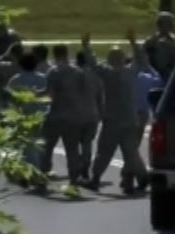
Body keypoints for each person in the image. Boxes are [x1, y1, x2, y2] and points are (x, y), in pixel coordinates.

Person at [81, 43, 148, 193]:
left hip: (113, 119)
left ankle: (95, 179)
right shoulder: (131, 72)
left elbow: (93, 64)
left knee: (104, 151)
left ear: (110, 59)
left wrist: (87, 47)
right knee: (131, 152)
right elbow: (142, 59)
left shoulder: (107, 73)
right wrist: (134, 42)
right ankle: (142, 178)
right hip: (131, 118)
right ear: (123, 59)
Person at [123, 31, 164, 190]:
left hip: (128, 114)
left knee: (130, 149)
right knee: (133, 148)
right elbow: (159, 80)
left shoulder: (126, 76)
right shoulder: (148, 78)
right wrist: (149, 66)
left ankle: (130, 177)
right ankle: (131, 177)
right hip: (142, 115)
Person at [41, 44, 85, 183]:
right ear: (66, 53)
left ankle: (44, 173)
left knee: (47, 147)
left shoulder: (53, 72)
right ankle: (74, 177)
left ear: (54, 55)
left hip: (56, 114)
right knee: (72, 148)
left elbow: (50, 94)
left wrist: (34, 96)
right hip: (73, 114)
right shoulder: (77, 72)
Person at [6, 51, 49, 184]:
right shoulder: (43, 78)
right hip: (41, 115)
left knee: (25, 146)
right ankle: (39, 171)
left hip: (23, 116)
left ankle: (28, 173)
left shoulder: (15, 79)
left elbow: (10, 99)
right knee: (39, 145)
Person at [74, 49, 104, 183]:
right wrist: (100, 113)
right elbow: (100, 96)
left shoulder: (73, 73)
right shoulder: (95, 76)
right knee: (87, 143)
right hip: (92, 113)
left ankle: (76, 168)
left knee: (73, 144)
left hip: (75, 114)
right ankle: (85, 166)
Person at [142, 11, 175, 82]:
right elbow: (143, 57)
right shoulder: (151, 41)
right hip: (154, 75)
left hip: (171, 74)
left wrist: (170, 46)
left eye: (170, 24)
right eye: (161, 24)